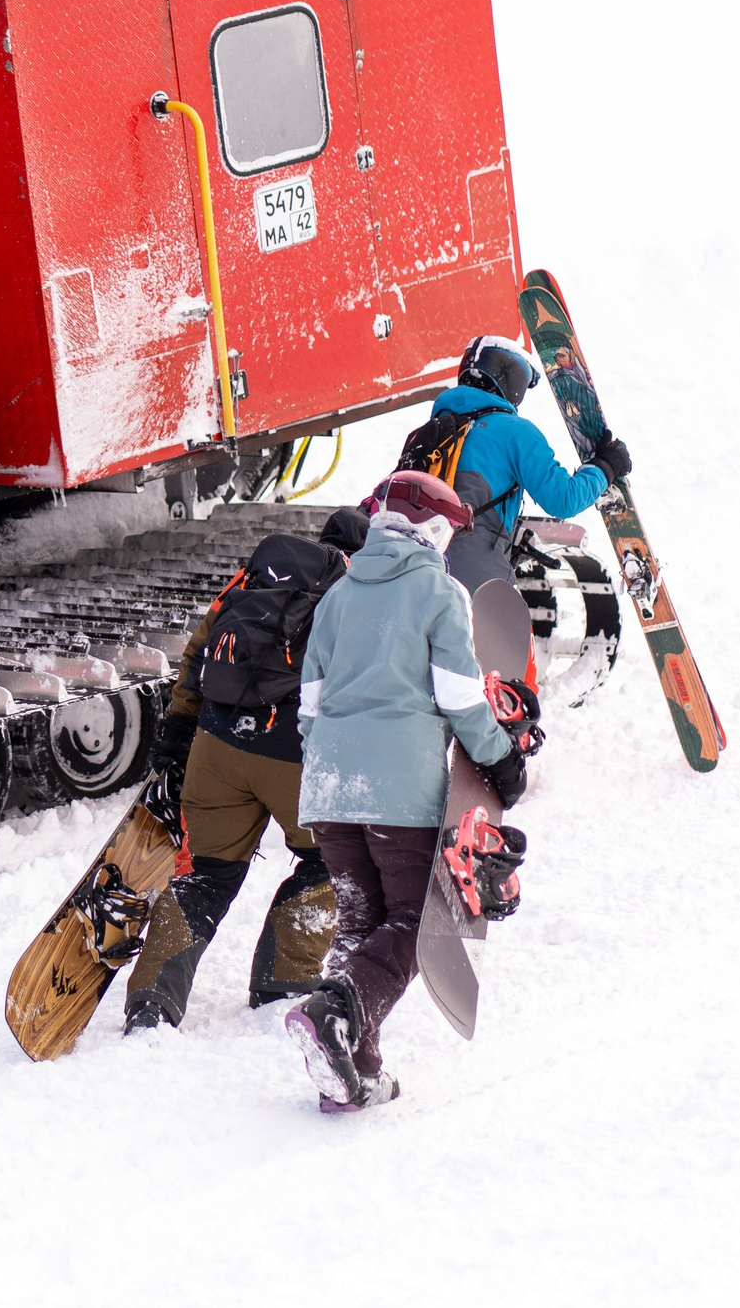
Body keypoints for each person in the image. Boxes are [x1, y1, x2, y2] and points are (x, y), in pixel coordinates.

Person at [285, 473, 526, 1112]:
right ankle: (335, 1013)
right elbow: (458, 695)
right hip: (401, 791)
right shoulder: (438, 592)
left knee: (360, 925)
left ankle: (350, 1069)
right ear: (432, 531)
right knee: (415, 924)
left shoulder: (338, 595)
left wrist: (333, 763)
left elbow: (307, 707)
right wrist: (500, 759)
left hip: (331, 789)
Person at [125, 507, 373, 1032]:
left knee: (207, 876)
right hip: (295, 761)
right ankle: (284, 977)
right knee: (331, 861)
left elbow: (199, 653)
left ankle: (152, 1002)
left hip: (216, 749)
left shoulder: (262, 576)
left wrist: (177, 733)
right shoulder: (358, 593)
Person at [423, 335, 629, 598]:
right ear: (510, 379)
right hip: (475, 584)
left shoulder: (430, 431)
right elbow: (563, 499)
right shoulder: (514, 432)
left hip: (417, 572)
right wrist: (606, 467)